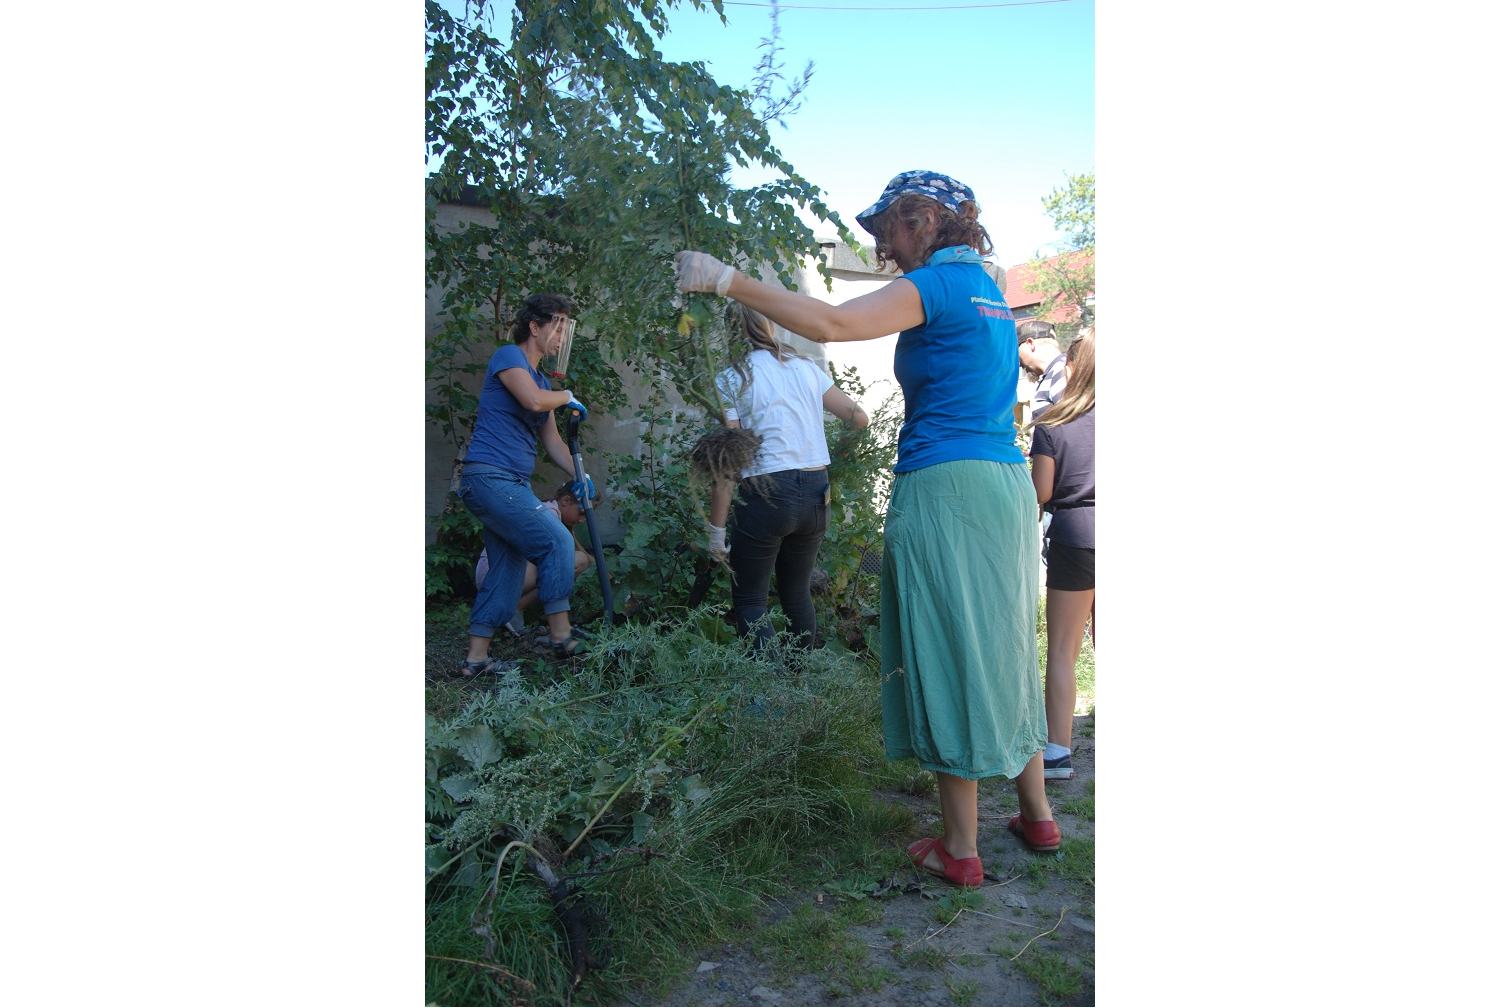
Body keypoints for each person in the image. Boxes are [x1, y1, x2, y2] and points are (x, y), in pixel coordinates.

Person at [674, 169, 1060, 886]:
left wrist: (725, 280)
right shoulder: (989, 293)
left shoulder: (939, 284)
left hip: (947, 485)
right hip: (1005, 484)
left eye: (887, 228)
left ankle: (960, 847)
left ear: (923, 219)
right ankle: (1036, 813)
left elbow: (830, 324)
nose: (881, 247)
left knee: (949, 647)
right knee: (1006, 641)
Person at [704, 305, 869, 653]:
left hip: (765, 494)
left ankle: (772, 699)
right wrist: (837, 455)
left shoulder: (731, 378)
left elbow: (729, 461)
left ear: (731, 333)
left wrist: (716, 532)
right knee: (797, 594)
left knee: (750, 600)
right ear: (772, 327)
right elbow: (858, 418)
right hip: (815, 490)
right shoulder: (807, 368)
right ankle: (800, 684)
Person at [456, 293, 595, 677]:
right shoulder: (509, 357)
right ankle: (560, 633)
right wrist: (566, 396)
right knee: (557, 540)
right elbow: (534, 402)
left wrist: (582, 475)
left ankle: (476, 658)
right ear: (535, 327)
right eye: (559, 326)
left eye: (567, 328)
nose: (563, 337)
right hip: (489, 477)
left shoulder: (540, 379)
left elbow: (552, 443)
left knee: (508, 567)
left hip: (508, 482)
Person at [1027, 329, 1096, 781]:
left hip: (1076, 536)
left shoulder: (1052, 424)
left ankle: (1057, 752)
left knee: (1064, 650)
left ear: (1071, 369)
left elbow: (1042, 492)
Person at [475, 481, 599, 636]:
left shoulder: (557, 516)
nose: (582, 520)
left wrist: (606, 569)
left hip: (507, 572)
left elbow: (585, 555)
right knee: (576, 562)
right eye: (581, 513)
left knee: (581, 560)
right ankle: (516, 609)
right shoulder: (548, 515)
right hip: (496, 574)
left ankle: (518, 609)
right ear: (566, 501)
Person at [1016, 319, 1067, 424]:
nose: (1020, 364)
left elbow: (1073, 427)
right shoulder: (1054, 372)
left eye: (1018, 353)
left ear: (1030, 343)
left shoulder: (1061, 371)